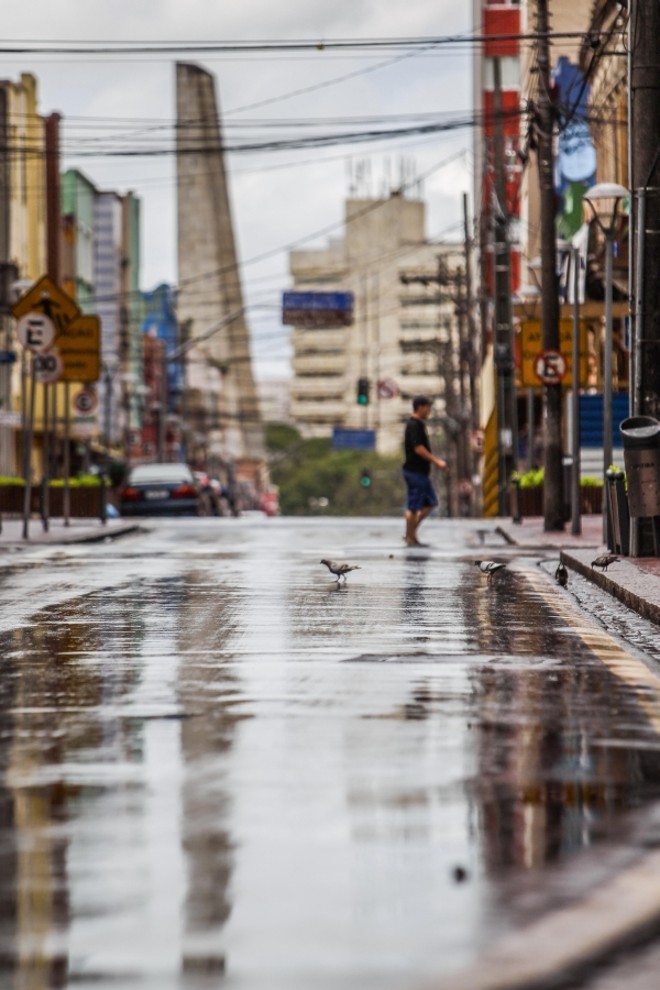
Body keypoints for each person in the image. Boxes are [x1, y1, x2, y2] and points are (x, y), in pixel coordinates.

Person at [402, 395, 447, 546]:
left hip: (421, 472)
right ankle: (409, 536)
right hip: (414, 471)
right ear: (420, 407)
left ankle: (411, 534)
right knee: (414, 507)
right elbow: (418, 448)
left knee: (430, 503)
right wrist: (436, 461)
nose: (429, 411)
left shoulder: (419, 424)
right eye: (427, 407)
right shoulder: (413, 425)